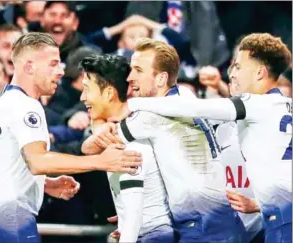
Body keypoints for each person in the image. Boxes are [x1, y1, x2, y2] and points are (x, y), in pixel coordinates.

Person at [113, 33, 292, 243]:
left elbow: (196, 107)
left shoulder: (255, 105)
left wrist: (131, 105)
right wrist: (260, 204)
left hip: (280, 225)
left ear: (260, 72)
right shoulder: (284, 105)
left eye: (238, 67)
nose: (232, 73)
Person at [0, 32, 142, 243]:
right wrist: (100, 161)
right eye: (52, 64)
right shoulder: (26, 107)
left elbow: (2, 164)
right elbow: (38, 161)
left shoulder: (1, 102)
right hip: (9, 220)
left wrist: (43, 184)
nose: (61, 72)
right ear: (29, 67)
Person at [91, 38, 246, 242]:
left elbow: (94, 145)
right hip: (226, 223)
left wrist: (97, 118)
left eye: (138, 70)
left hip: (202, 228)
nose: (129, 77)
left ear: (161, 79)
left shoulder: (152, 116)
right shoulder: (185, 94)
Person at [79, 54, 174, 243]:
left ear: (108, 94)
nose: (82, 97)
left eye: (86, 89)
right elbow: (87, 148)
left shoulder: (129, 143)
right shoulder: (122, 130)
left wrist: (127, 230)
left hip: (151, 236)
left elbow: (133, 216)